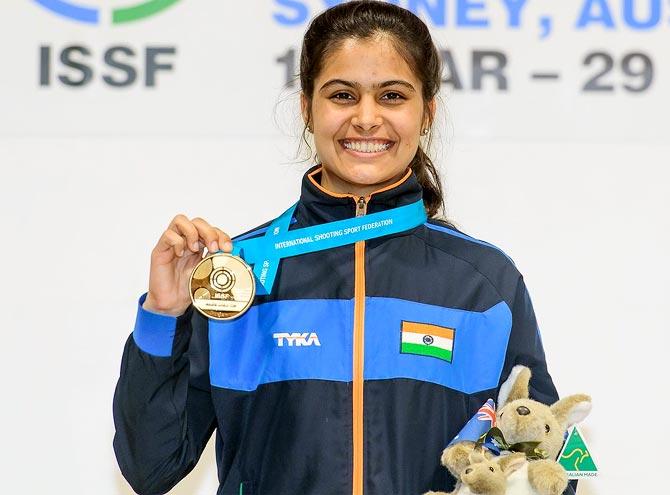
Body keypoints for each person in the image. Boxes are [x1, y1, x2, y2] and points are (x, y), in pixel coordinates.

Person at [113, 2, 576, 494]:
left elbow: (548, 457)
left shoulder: (483, 283)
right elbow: (152, 468)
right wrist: (165, 314)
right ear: (307, 109)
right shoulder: (239, 276)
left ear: (427, 112)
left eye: (393, 96)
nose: (366, 118)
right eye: (342, 95)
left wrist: (520, 480)